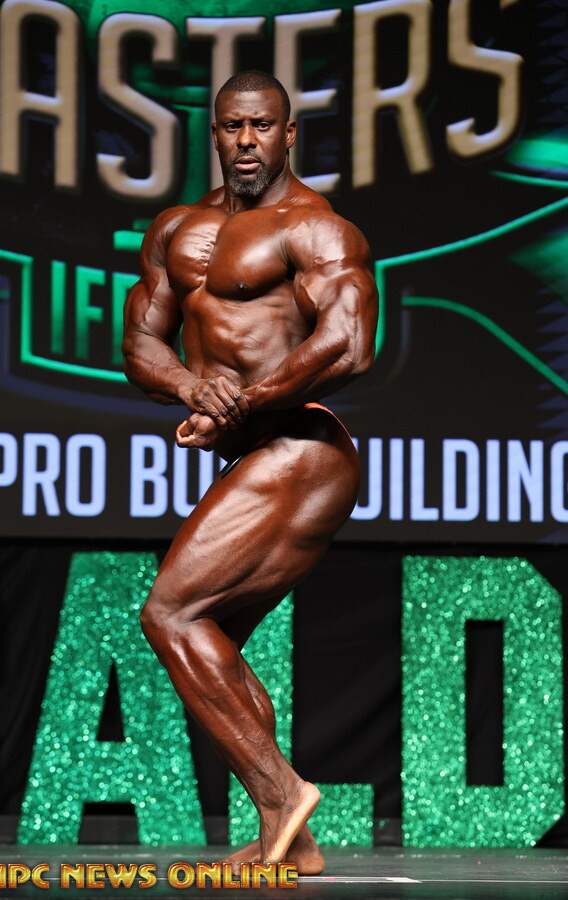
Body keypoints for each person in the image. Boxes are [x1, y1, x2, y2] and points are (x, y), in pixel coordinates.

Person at [122, 70, 378, 873]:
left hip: (305, 448)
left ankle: (280, 795)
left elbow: (349, 344)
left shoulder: (314, 227)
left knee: (170, 615)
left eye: (262, 126)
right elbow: (140, 344)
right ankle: (293, 843)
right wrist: (190, 386)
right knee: (212, 649)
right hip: (258, 452)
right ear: (215, 133)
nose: (245, 141)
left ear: (289, 134)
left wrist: (243, 402)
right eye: (232, 126)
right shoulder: (176, 229)